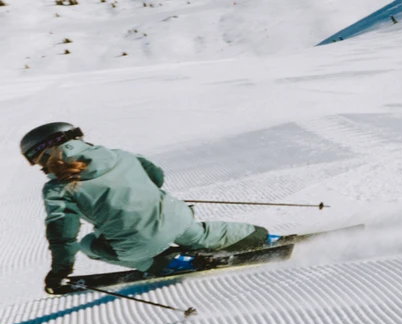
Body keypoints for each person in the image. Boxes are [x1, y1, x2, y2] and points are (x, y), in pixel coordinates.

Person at [23, 122, 276, 293]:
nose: (39, 167)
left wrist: (60, 272)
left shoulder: (57, 189)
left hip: (137, 241)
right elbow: (156, 177)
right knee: (197, 233)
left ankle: (171, 262)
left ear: (45, 152)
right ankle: (262, 237)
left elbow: (64, 237)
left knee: (89, 244)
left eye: (35, 160)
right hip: (175, 215)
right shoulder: (120, 155)